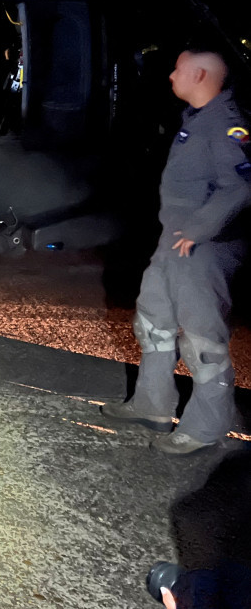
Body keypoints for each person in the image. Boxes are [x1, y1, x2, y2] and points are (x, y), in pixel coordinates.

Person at [101, 50, 251, 454]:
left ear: (199, 74)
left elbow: (240, 185)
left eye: (178, 70)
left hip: (204, 247)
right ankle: (152, 405)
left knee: (203, 344)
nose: (170, 76)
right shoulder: (198, 119)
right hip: (175, 240)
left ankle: (206, 428)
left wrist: (201, 228)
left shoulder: (225, 123)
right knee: (153, 322)